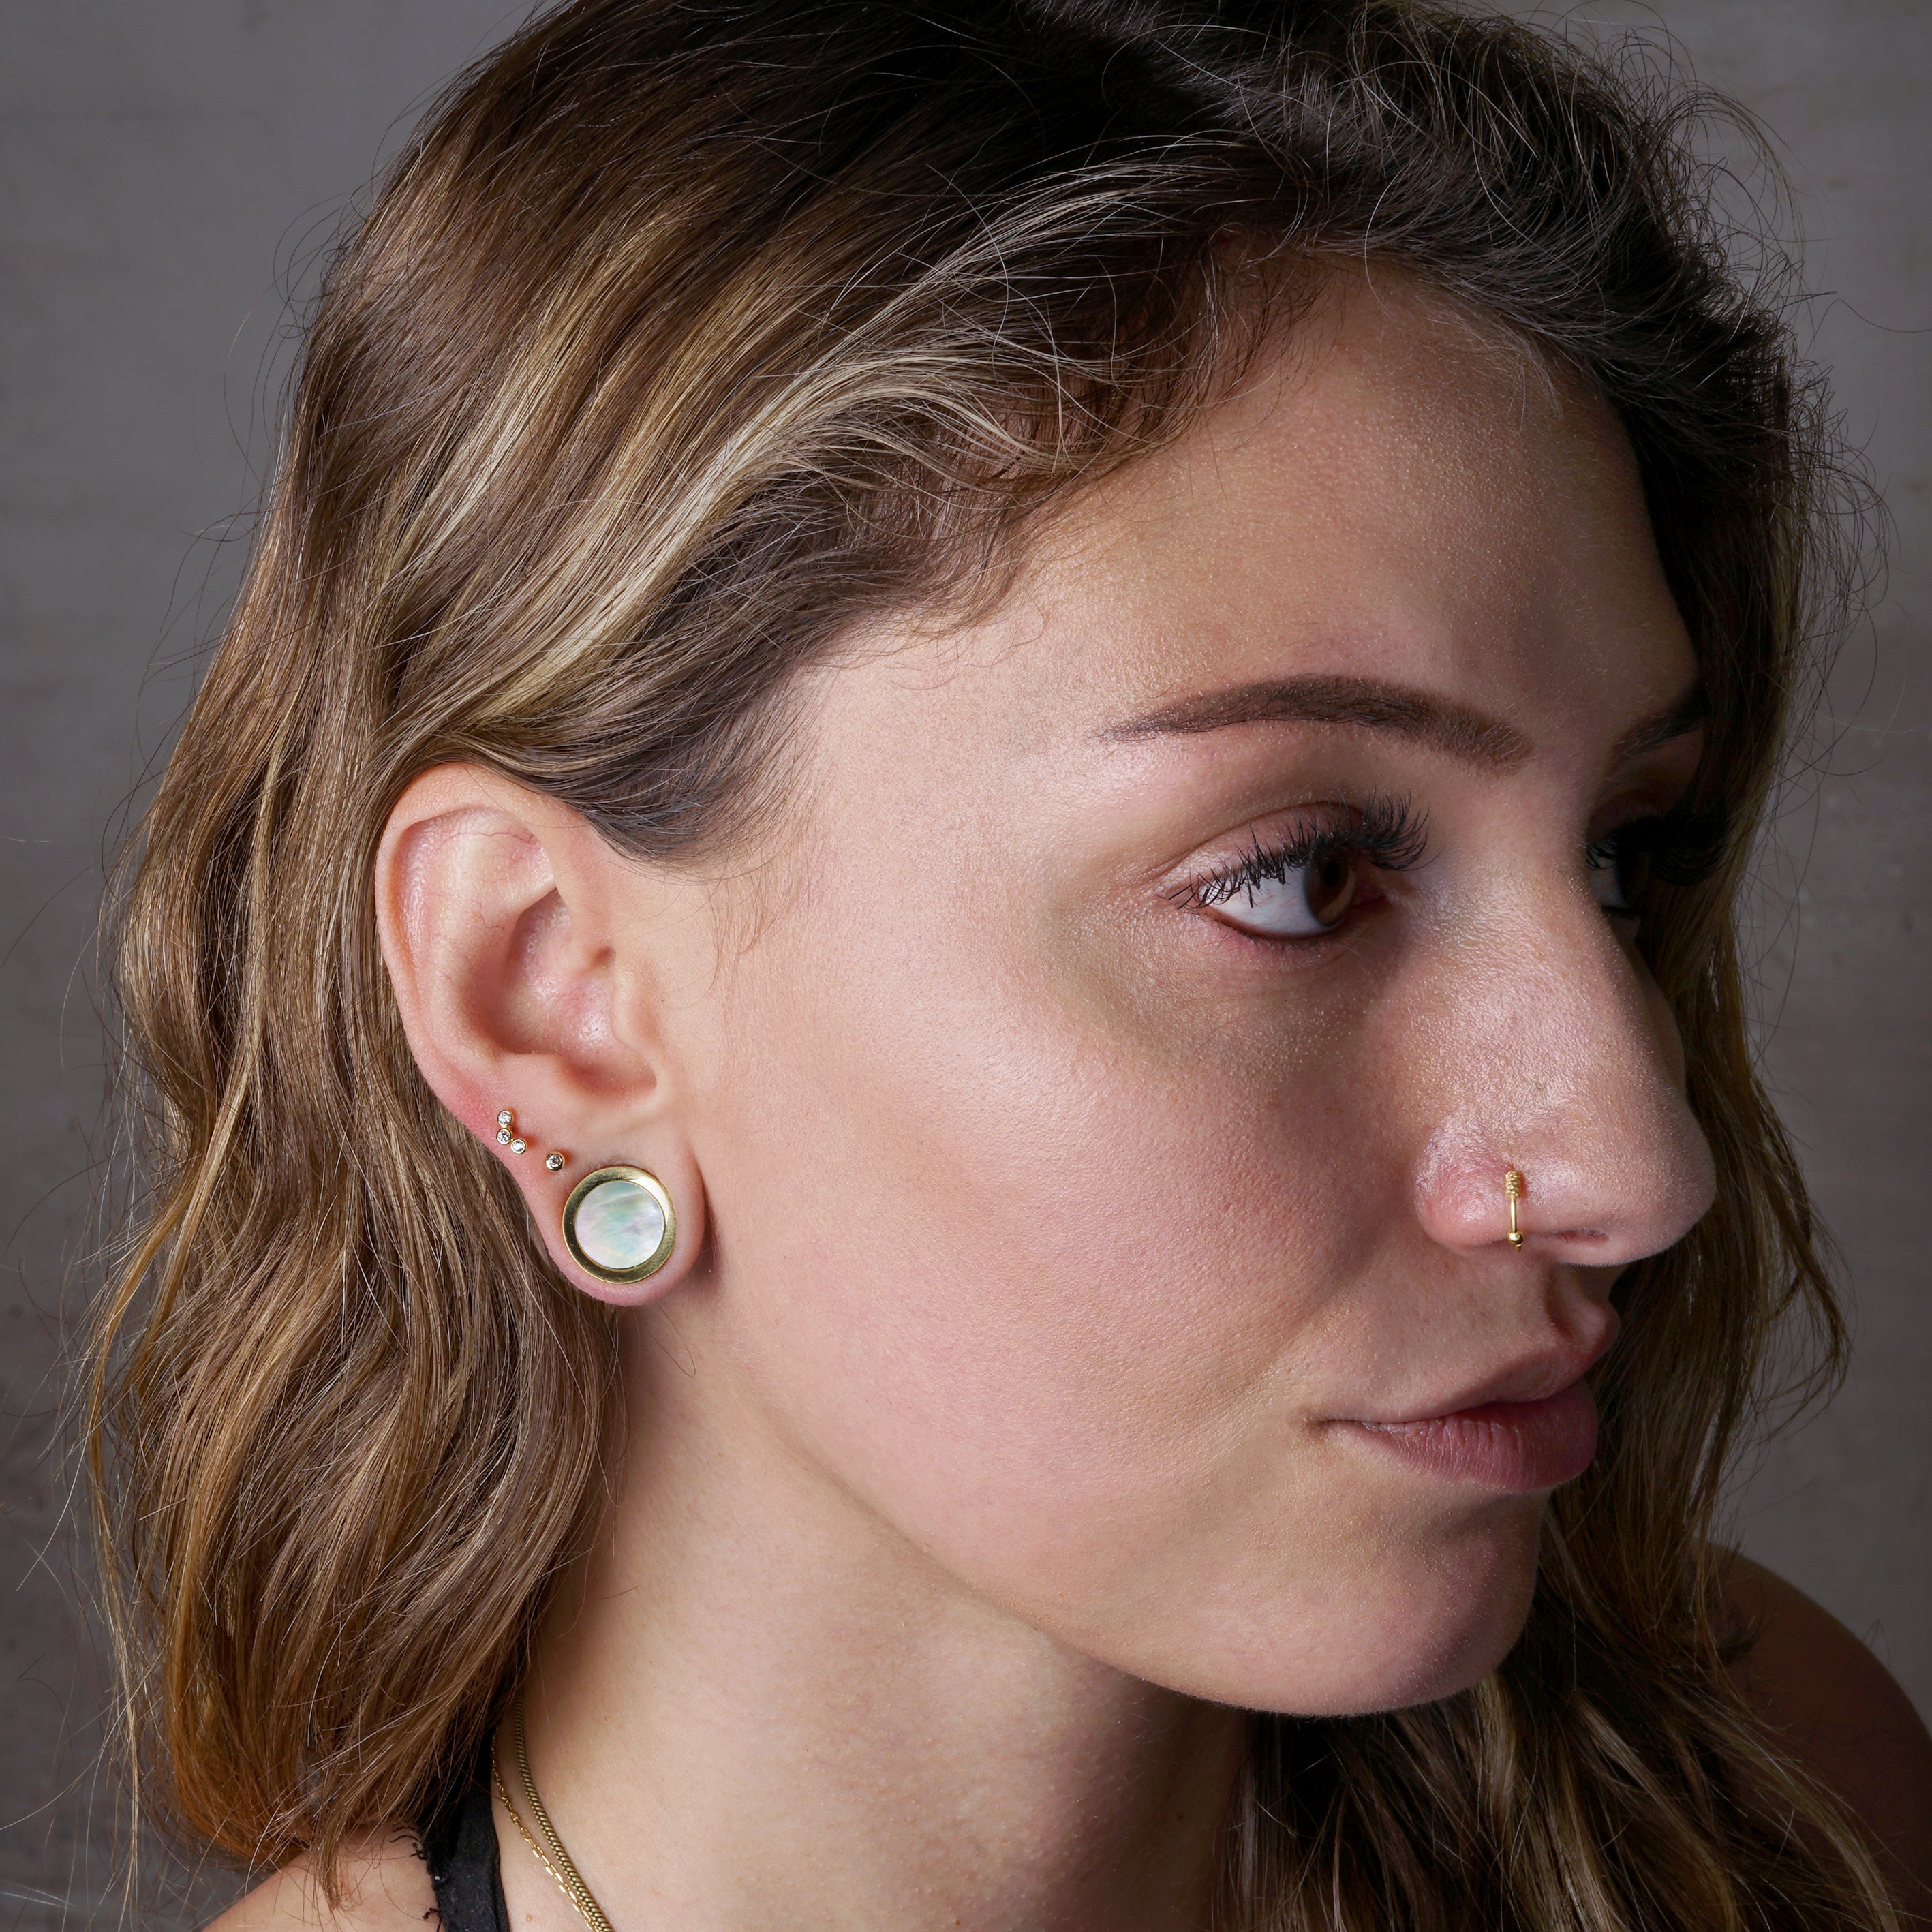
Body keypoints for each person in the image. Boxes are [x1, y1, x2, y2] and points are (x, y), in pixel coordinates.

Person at [85, 1, 1932, 1927]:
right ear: (550, 995)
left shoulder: (1775, 1820)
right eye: (1301, 877)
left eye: (1624, 860)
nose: (1641, 1165)